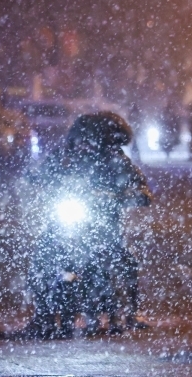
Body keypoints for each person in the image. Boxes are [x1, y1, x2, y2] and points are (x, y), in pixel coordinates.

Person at [26, 112, 152, 338]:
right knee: (41, 256)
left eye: (89, 139)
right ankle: (41, 313)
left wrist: (122, 197)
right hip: (64, 222)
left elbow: (141, 190)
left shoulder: (116, 160)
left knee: (124, 260)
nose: (82, 144)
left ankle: (132, 311)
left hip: (102, 224)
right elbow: (42, 174)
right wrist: (34, 178)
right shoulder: (62, 156)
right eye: (79, 139)